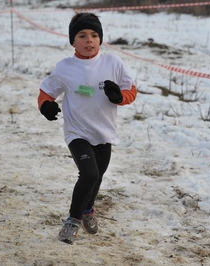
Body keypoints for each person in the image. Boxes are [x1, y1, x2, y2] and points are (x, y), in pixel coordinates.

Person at [37, 12, 137, 244]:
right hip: (77, 132)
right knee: (89, 173)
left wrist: (119, 96)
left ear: (100, 39)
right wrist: (46, 106)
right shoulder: (65, 67)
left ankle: (88, 210)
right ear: (73, 41)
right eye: (82, 35)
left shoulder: (113, 63)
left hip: (103, 131)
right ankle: (72, 220)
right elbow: (46, 91)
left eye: (94, 35)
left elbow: (130, 90)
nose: (89, 40)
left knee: (98, 176)